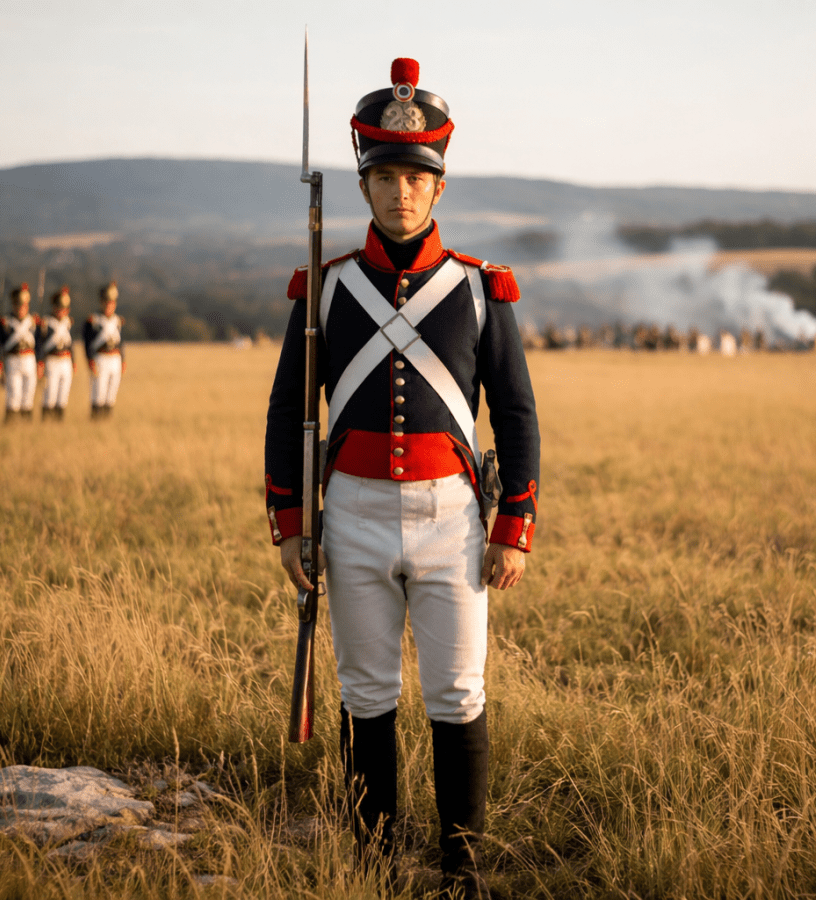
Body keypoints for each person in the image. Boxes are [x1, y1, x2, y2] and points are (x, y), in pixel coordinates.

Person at [265, 58, 539, 899]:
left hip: (450, 517)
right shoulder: (327, 287)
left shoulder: (481, 290)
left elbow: (518, 417)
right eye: (384, 175)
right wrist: (291, 525)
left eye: (415, 177)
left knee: (458, 693)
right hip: (348, 513)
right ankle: (374, 867)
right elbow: (286, 414)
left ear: (439, 186)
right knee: (367, 692)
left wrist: (512, 528)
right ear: (365, 183)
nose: (399, 193)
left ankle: (461, 871)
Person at [0, 282, 41, 422]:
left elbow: (38, 344)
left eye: (24, 305)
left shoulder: (33, 322)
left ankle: (26, 425)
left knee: (28, 394)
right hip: (13, 360)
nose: (21, 308)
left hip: (29, 359)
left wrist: (40, 361)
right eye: (18, 305)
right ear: (13, 305)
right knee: (13, 394)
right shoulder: (6, 323)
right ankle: (11, 424)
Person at [83, 281, 124, 418]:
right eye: (106, 302)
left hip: (115, 359)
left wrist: (123, 360)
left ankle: (107, 421)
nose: (109, 306)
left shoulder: (117, 321)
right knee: (98, 393)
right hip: (100, 358)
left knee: (111, 393)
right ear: (101, 302)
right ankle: (96, 421)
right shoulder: (93, 321)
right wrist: (90, 359)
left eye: (112, 303)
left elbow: (120, 342)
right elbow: (87, 342)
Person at [37, 286, 75, 421]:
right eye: (59, 308)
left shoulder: (67, 323)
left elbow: (70, 344)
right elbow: (40, 344)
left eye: (65, 308)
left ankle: (58, 422)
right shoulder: (46, 322)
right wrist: (40, 362)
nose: (62, 311)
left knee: (63, 394)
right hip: (52, 360)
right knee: (50, 393)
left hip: (65, 360)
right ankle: (46, 421)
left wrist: (73, 362)